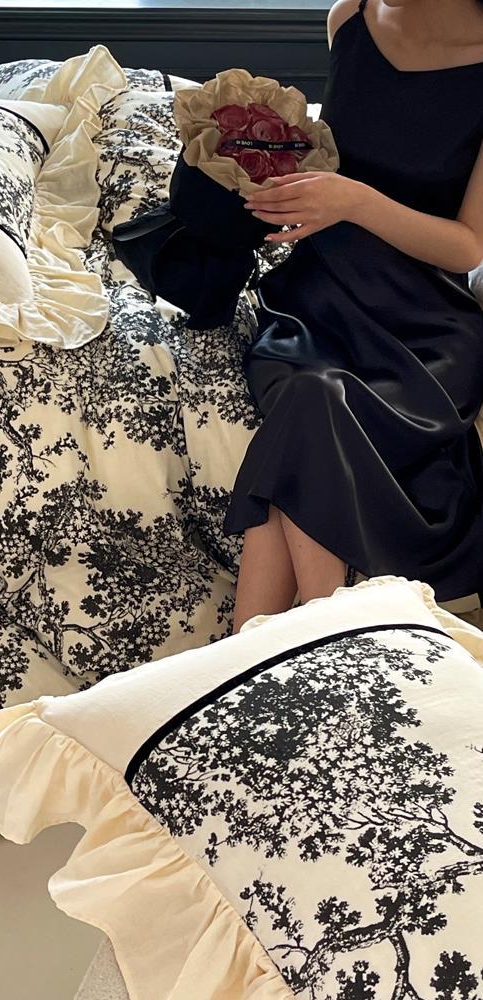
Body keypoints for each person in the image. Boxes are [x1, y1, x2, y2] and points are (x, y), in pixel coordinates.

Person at [224, 0, 483, 633]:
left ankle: (270, 649)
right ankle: (326, 642)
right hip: (316, 299)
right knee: (309, 399)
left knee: (308, 405)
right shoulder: (349, 19)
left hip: (427, 327)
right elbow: (336, 159)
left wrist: (354, 203)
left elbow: (470, 246)